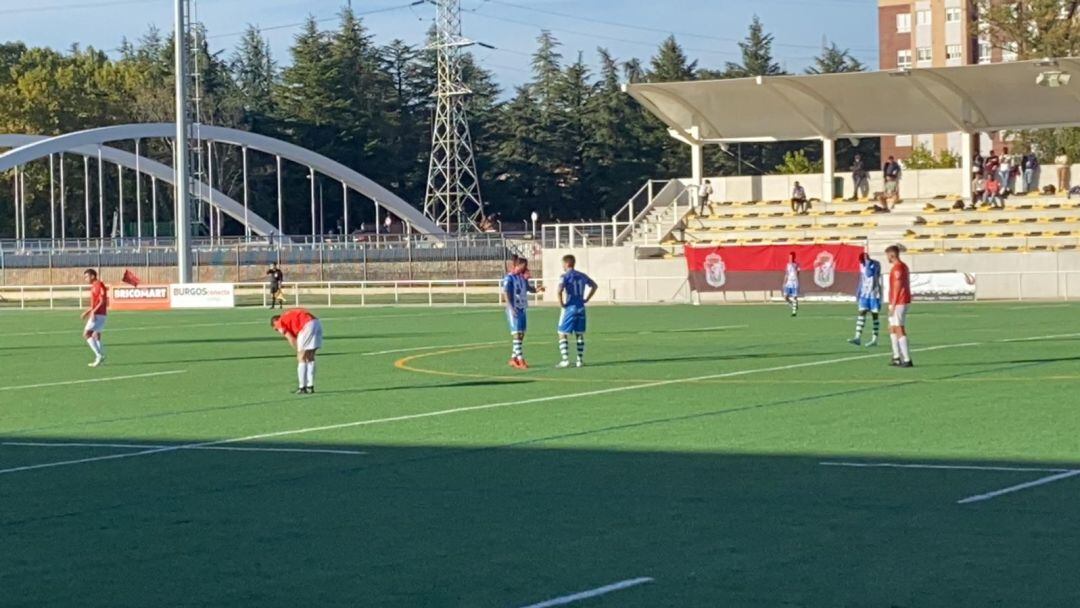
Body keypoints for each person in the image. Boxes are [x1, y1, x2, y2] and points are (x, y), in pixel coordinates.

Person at [556, 255, 598, 368]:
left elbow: (559, 290)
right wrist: (587, 299)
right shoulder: (582, 275)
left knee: (562, 333)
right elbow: (594, 286)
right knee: (579, 334)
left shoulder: (564, 276)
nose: (562, 266)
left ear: (567, 264)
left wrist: (561, 303)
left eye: (563, 264)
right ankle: (580, 360)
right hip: (581, 307)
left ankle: (565, 360)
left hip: (570, 307)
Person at [271, 308, 323, 394]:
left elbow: (290, 338)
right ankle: (310, 386)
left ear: (275, 322)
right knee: (310, 356)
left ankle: (302, 387)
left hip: (307, 325)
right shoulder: (288, 317)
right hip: (316, 322)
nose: (278, 331)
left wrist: (298, 351)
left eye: (276, 329)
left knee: (301, 358)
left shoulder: (280, 322)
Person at [886, 245, 913, 368]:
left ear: (892, 255)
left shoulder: (898, 268)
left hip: (899, 302)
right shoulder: (903, 267)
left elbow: (897, 287)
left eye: (888, 255)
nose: (887, 258)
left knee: (899, 328)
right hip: (898, 301)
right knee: (892, 328)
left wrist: (893, 304)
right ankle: (896, 356)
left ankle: (907, 359)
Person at [848, 252, 882, 347]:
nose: (862, 262)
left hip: (874, 293)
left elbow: (869, 273)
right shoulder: (862, 265)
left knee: (874, 315)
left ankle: (874, 339)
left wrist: (867, 262)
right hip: (864, 293)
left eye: (863, 260)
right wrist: (858, 292)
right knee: (861, 312)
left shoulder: (875, 264)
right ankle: (857, 337)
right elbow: (862, 278)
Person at [504, 257, 531, 369]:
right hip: (514, 309)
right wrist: (511, 307)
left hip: (522, 308)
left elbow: (528, 288)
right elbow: (505, 293)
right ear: (518, 265)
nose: (525, 268)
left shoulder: (522, 278)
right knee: (516, 334)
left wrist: (537, 289)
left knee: (521, 335)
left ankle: (513, 358)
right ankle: (521, 360)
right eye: (524, 266)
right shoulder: (509, 278)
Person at [81, 268, 108, 367]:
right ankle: (101, 357)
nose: (85, 279)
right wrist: (87, 311)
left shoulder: (98, 285)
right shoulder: (94, 286)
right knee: (96, 335)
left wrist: (93, 312)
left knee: (86, 334)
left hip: (99, 314)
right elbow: (96, 302)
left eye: (86, 277)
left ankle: (99, 355)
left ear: (92, 276)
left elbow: (102, 301)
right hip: (100, 314)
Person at [782, 252, 800, 317]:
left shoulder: (797, 264)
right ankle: (793, 305)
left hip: (794, 282)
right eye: (789, 257)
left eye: (791, 257)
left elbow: (798, 273)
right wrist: (784, 282)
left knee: (794, 297)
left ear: (794, 257)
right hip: (788, 282)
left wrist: (795, 269)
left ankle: (794, 312)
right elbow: (786, 274)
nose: (790, 258)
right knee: (786, 297)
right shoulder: (787, 265)